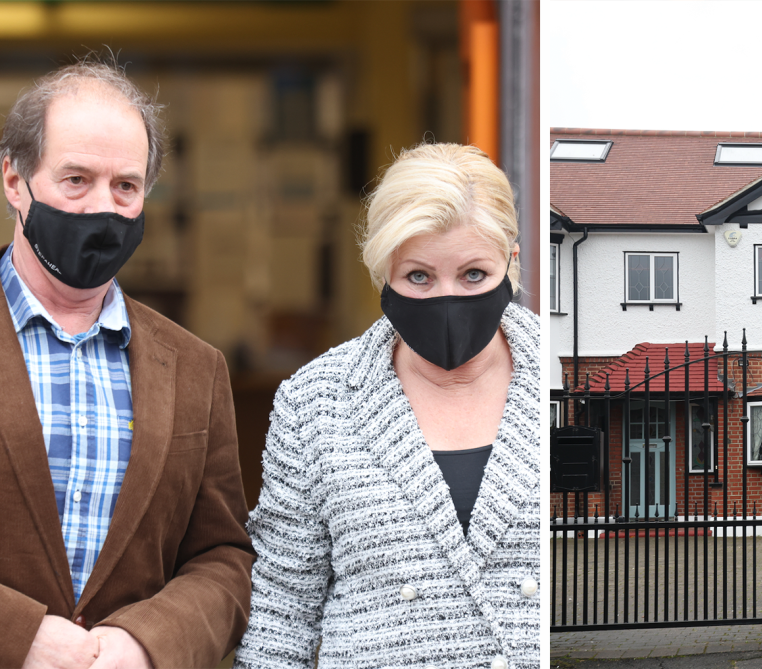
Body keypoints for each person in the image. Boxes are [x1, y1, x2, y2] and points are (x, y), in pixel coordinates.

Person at [235, 144, 539, 669]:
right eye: (419, 276)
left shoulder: (555, 376)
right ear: (383, 274)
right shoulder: (316, 401)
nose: (447, 298)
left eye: (473, 275)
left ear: (510, 263)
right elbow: (281, 608)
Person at [0, 60, 253, 668]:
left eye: (126, 187)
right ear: (14, 181)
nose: (101, 208)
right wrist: (20, 636)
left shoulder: (197, 368)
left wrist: (148, 642)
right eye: (76, 180)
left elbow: (223, 557)